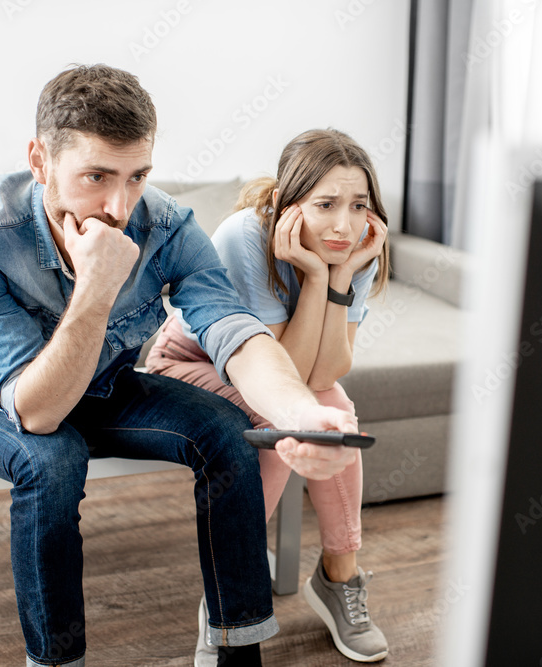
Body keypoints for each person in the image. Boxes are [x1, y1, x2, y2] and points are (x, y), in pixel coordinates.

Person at [0, 65, 359, 667]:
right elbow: (37, 411)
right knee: (53, 458)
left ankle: (234, 651)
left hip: (106, 383)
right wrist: (95, 288)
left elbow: (232, 332)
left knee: (226, 430)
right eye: (96, 176)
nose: (119, 205)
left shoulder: (164, 224)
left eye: (137, 176)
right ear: (39, 161)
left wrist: (300, 414)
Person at [146, 128, 391, 663]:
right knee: (283, 417)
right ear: (287, 203)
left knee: (332, 411)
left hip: (280, 377)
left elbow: (326, 370)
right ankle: (231, 590)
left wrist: (338, 274)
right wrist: (308, 270)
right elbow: (284, 374)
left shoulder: (359, 246)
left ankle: (339, 574)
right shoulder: (244, 236)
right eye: (325, 204)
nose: (344, 224)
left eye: (358, 205)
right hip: (189, 364)